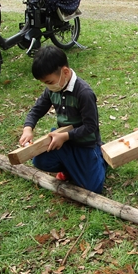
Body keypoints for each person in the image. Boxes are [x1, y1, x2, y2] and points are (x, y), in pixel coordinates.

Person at [18, 46, 107, 194]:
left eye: (49, 81)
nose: (48, 85)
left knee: (94, 188)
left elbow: (90, 126)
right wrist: (28, 128)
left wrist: (65, 136)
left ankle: (101, 158)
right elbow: (37, 109)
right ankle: (71, 167)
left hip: (85, 144)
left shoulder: (84, 93)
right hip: (63, 141)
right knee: (40, 160)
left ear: (65, 72)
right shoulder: (53, 89)